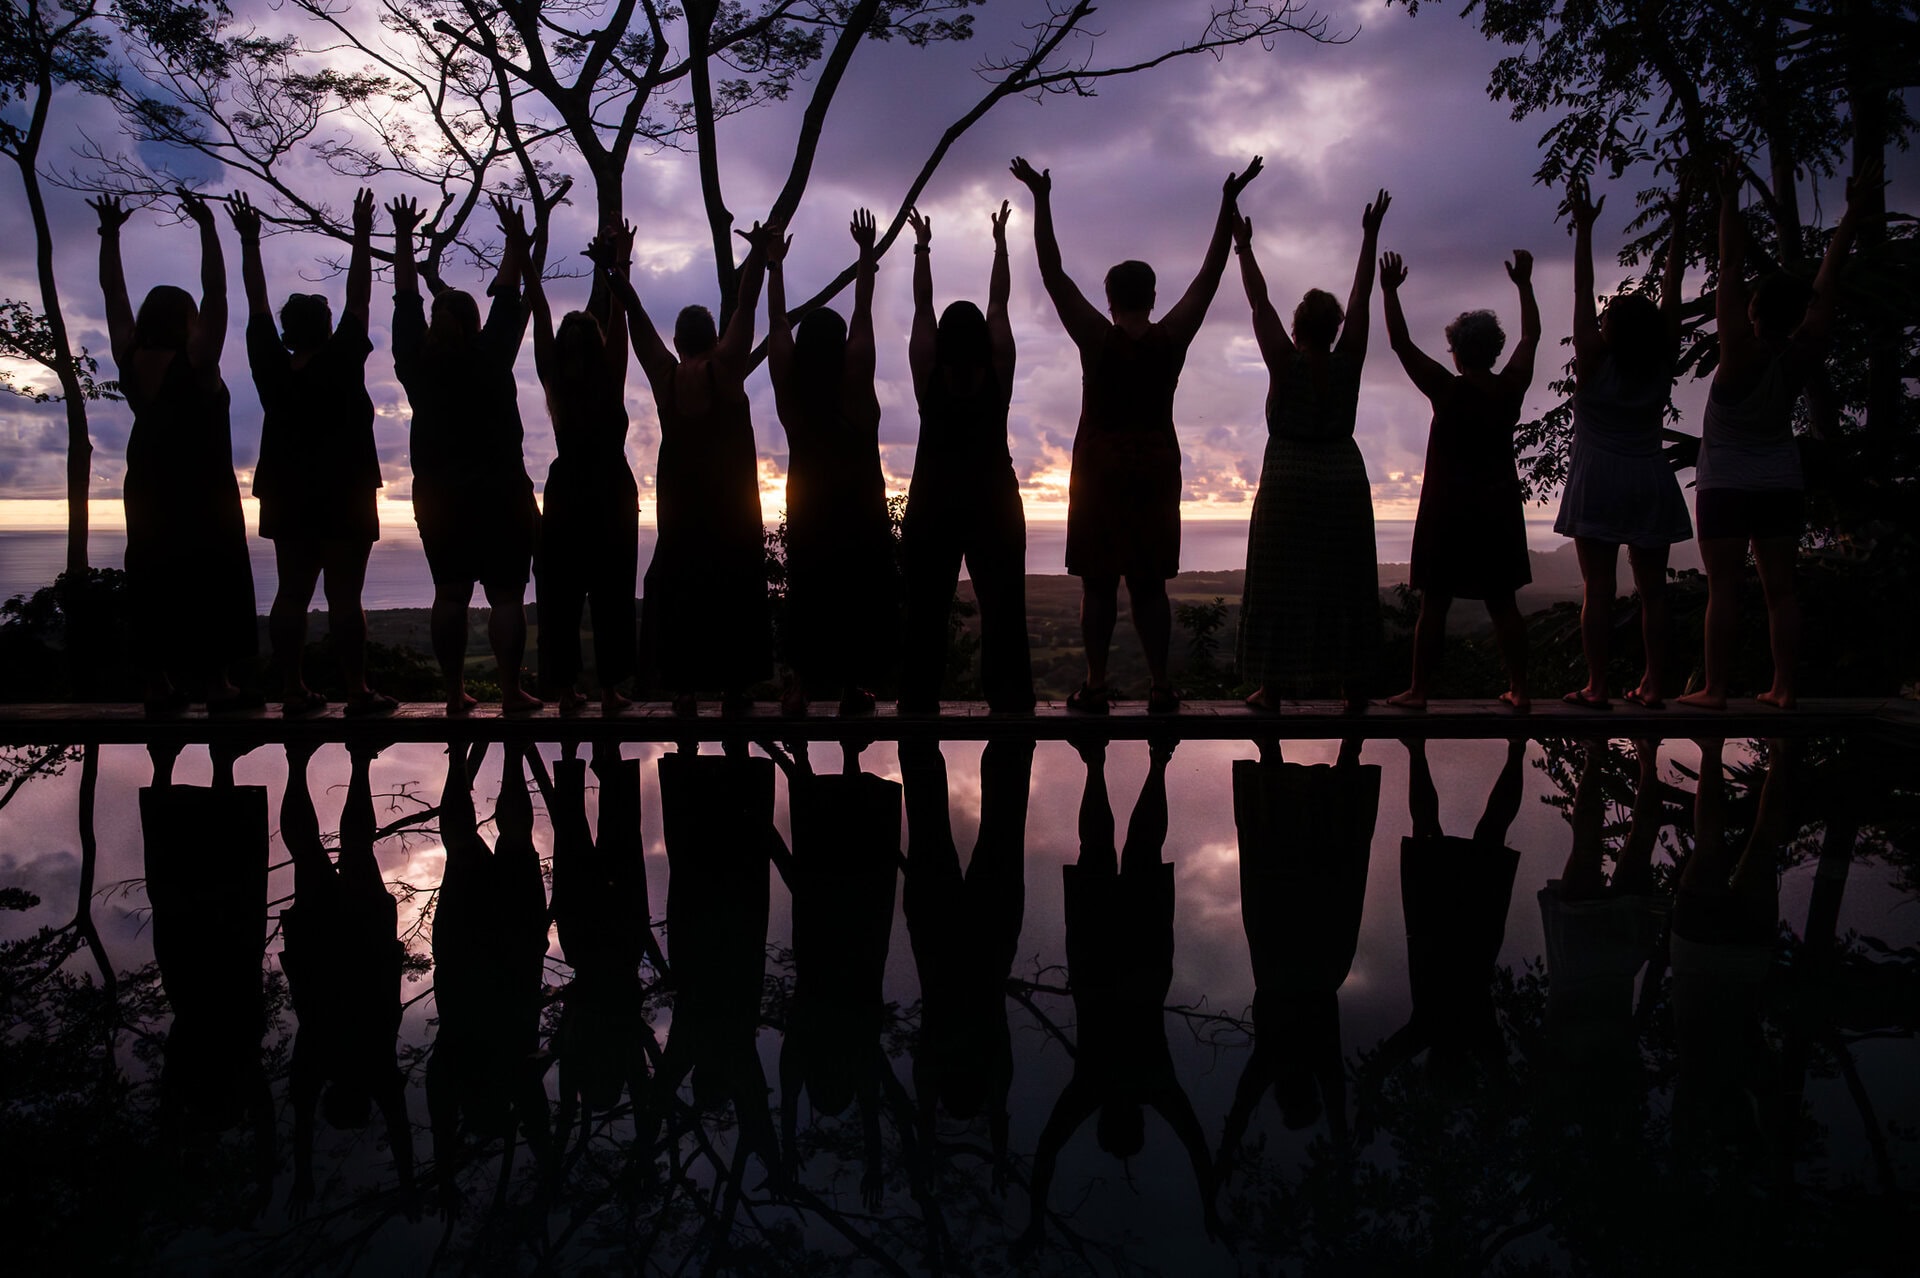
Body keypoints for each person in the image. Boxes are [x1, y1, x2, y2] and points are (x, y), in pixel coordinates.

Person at [1009, 155, 1264, 715]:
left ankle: (1096, 685)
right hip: (1154, 468)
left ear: (1109, 298)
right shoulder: (1169, 339)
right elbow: (1209, 275)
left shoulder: (1098, 340)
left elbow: (1052, 275)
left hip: (1098, 470)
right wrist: (1228, 202)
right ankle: (1159, 687)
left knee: (1097, 585)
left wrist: (1042, 198)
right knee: (1150, 585)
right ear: (1151, 297)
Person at [1676, 163, 1873, 710]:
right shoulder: (1800, 355)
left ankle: (1715, 689)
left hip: (1726, 484)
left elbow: (1730, 263)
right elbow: (1825, 289)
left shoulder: (1737, 355)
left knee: (1724, 589)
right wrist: (1851, 217)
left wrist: (1728, 201)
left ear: (1754, 310)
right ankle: (1783, 687)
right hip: (1780, 481)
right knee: (1781, 590)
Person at [1017, 737, 1218, 1255]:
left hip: (1133, 966)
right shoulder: (1103, 1086)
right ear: (1109, 1121)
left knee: (1130, 854)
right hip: (1104, 965)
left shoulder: (1143, 1087)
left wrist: (1211, 1206)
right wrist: (1036, 1217)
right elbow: (1047, 1149)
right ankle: (1113, 762)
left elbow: (1196, 1146)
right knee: (1110, 854)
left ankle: (1146, 761)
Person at [91, 191, 258, 715]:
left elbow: (112, 296)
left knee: (152, 572)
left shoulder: (130, 354)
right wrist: (210, 229)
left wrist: (109, 235)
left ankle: (157, 684)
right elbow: (218, 295)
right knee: (211, 573)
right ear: (188, 319)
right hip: (201, 485)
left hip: (146, 481)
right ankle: (215, 683)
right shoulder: (199, 361)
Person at [230, 189, 394, 718]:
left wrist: (250, 241)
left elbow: (254, 303)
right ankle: (357, 692)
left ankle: (295, 690)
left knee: (291, 593)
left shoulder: (270, 364)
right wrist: (362, 232)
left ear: (287, 332)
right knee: (346, 597)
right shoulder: (344, 357)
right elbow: (361, 298)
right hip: (345, 489)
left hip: (287, 490)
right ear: (327, 329)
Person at [611, 223, 778, 716]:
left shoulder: (666, 377)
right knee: (733, 592)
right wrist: (759, 259)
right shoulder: (723, 370)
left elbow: (639, 324)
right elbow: (746, 310)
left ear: (679, 341)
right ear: (711, 337)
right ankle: (733, 690)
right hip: (729, 512)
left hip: (682, 515)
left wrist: (620, 273)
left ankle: (683, 690)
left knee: (684, 592)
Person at [1234, 190, 1391, 710]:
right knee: (1344, 583)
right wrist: (1369, 237)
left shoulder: (1285, 359)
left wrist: (1244, 248)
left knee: (1281, 583)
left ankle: (1273, 687)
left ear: (1298, 326)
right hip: (1343, 475)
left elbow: (1259, 301)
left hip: (1289, 476)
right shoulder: (1349, 360)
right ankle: (1354, 688)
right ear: (1335, 329)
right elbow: (1362, 299)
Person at [389, 194, 543, 716]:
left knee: (449, 594)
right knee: (505, 597)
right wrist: (516, 243)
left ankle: (455, 694)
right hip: (500, 490)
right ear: (474, 322)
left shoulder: (415, 361)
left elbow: (405, 300)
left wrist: (405, 237)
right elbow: (507, 291)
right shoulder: (492, 353)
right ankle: (509, 692)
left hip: (439, 495)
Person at [1554, 175, 1695, 710]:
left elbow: (1580, 291)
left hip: (1598, 481)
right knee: (1654, 591)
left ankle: (1597, 686)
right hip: (1649, 477)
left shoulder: (1592, 361)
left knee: (1598, 590)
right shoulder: (1662, 361)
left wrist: (1584, 231)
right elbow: (1674, 289)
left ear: (1610, 329)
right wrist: (1679, 225)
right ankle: (1656, 685)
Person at [1380, 246, 1541, 710]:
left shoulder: (1447, 390)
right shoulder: (1509, 389)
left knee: (1435, 604)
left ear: (1455, 353)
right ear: (1493, 350)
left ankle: (1419, 690)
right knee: (1503, 603)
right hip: (1498, 508)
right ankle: (1522, 689)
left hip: (1447, 510)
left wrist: (1389, 292)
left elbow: (1400, 344)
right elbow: (1531, 335)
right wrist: (1525, 286)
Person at [899, 201, 1035, 714]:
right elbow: (998, 305)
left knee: (924, 613)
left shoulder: (927, 376)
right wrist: (1000, 244)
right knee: (1004, 611)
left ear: (940, 343)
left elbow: (921, 309)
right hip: (994, 500)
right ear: (982, 339)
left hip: (933, 498)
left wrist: (922, 248)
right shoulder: (998, 373)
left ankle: (917, 704)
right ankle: (1011, 704)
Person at [1217, 738, 1377, 1170]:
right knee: (1280, 853)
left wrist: (1222, 1160)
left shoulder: (1302, 1062)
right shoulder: (1283, 1062)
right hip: (1286, 955)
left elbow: (1244, 1110)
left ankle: (1344, 751)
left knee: (1326, 857)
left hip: (1317, 956)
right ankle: (1283, 752)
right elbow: (1243, 1108)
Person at [765, 210, 897, 717]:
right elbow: (863, 314)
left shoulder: (792, 391)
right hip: (860, 507)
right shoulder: (856, 385)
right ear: (841, 344)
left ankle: (799, 687)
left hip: (810, 507)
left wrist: (775, 266)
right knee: (858, 592)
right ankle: (850, 689)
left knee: (809, 592)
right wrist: (865, 254)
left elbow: (777, 324)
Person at [279, 740, 415, 1216]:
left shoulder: (371, 1072)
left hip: (354, 940)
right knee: (310, 851)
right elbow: (301, 1124)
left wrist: (408, 1183)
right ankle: (308, 760)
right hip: (330, 943)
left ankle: (354, 759)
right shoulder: (324, 1069)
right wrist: (302, 1174)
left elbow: (397, 1127)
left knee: (343, 849)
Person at [900, 736, 1034, 1190]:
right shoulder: (938, 1055)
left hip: (985, 937)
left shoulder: (987, 1055)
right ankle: (924, 747)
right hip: (942, 935)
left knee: (1000, 827)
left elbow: (994, 1106)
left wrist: (1000, 1157)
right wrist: (993, 1156)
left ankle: (1009, 748)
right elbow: (926, 1111)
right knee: (931, 824)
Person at [528, 223, 641, 717]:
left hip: (568, 493)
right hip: (612, 493)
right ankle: (612, 690)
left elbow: (539, 311)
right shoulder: (609, 375)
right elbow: (621, 319)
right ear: (594, 344)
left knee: (561, 596)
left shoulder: (554, 379)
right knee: (613, 595)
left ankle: (569, 690)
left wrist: (527, 257)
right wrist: (619, 265)